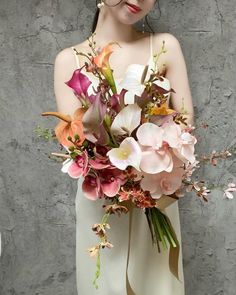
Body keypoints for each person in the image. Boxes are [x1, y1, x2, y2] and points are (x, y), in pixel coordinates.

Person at [53, 1, 194, 294]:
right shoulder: (69, 60)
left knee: (159, 286)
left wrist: (151, 156)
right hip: (102, 203)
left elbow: (184, 128)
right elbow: (76, 143)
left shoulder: (164, 45)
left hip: (156, 193)